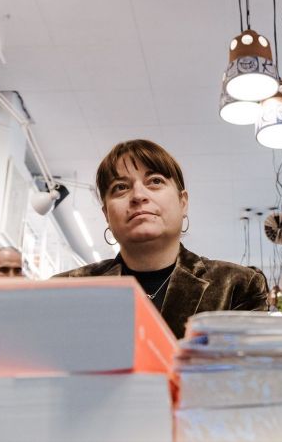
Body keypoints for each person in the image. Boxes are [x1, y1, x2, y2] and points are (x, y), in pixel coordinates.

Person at [55, 139, 268, 338]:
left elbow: (248, 364)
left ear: (183, 203)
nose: (138, 195)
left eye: (155, 181)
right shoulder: (63, 291)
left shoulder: (237, 285)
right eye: (120, 187)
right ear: (106, 215)